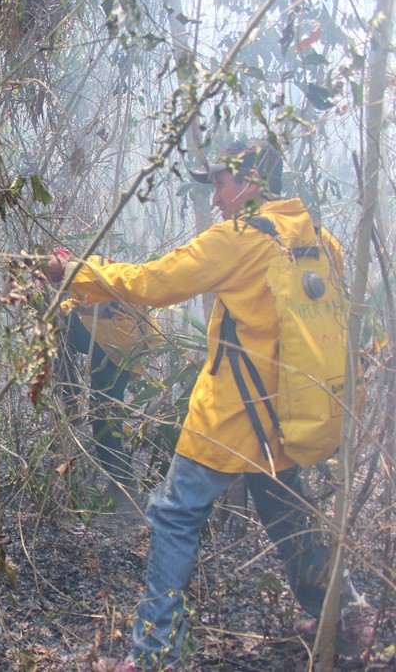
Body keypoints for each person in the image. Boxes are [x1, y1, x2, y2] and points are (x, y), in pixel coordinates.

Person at [47, 139, 371, 671]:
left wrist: (77, 270)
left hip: (229, 418)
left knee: (175, 516)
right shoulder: (320, 239)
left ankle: (154, 656)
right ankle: (344, 614)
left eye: (220, 184)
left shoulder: (240, 239)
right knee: (290, 513)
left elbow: (155, 283)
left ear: (250, 183)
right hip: (288, 416)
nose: (216, 199)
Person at [57, 296, 156, 492]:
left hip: (116, 341)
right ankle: (122, 480)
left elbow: (93, 303)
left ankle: (122, 483)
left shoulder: (91, 269)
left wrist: (62, 307)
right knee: (104, 413)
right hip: (114, 341)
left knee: (105, 414)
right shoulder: (94, 269)